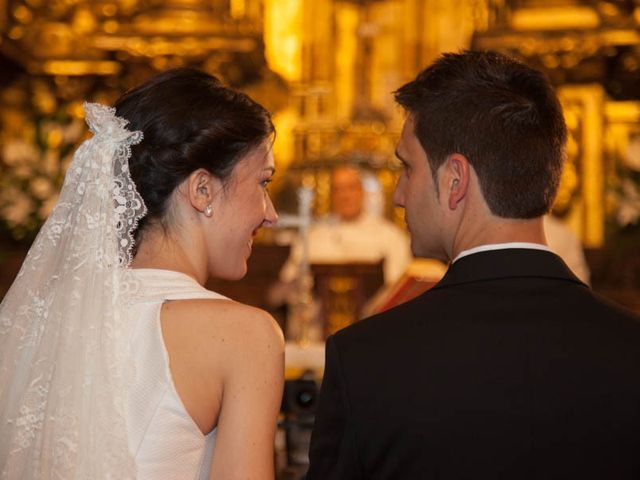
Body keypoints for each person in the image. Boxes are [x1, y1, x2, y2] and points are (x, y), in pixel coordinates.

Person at [307, 51, 640, 479]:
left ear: (454, 181)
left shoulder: (366, 360)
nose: (399, 196)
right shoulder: (630, 350)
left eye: (406, 168)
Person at [0, 69, 284, 479]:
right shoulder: (245, 336)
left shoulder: (43, 323)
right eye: (263, 182)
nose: (270, 214)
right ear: (202, 189)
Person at [280, 165, 411, 286]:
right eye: (338, 189)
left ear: (362, 191)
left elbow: (396, 286)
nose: (345, 196)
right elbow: (290, 280)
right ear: (331, 195)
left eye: (351, 187)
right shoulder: (313, 235)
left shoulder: (391, 237)